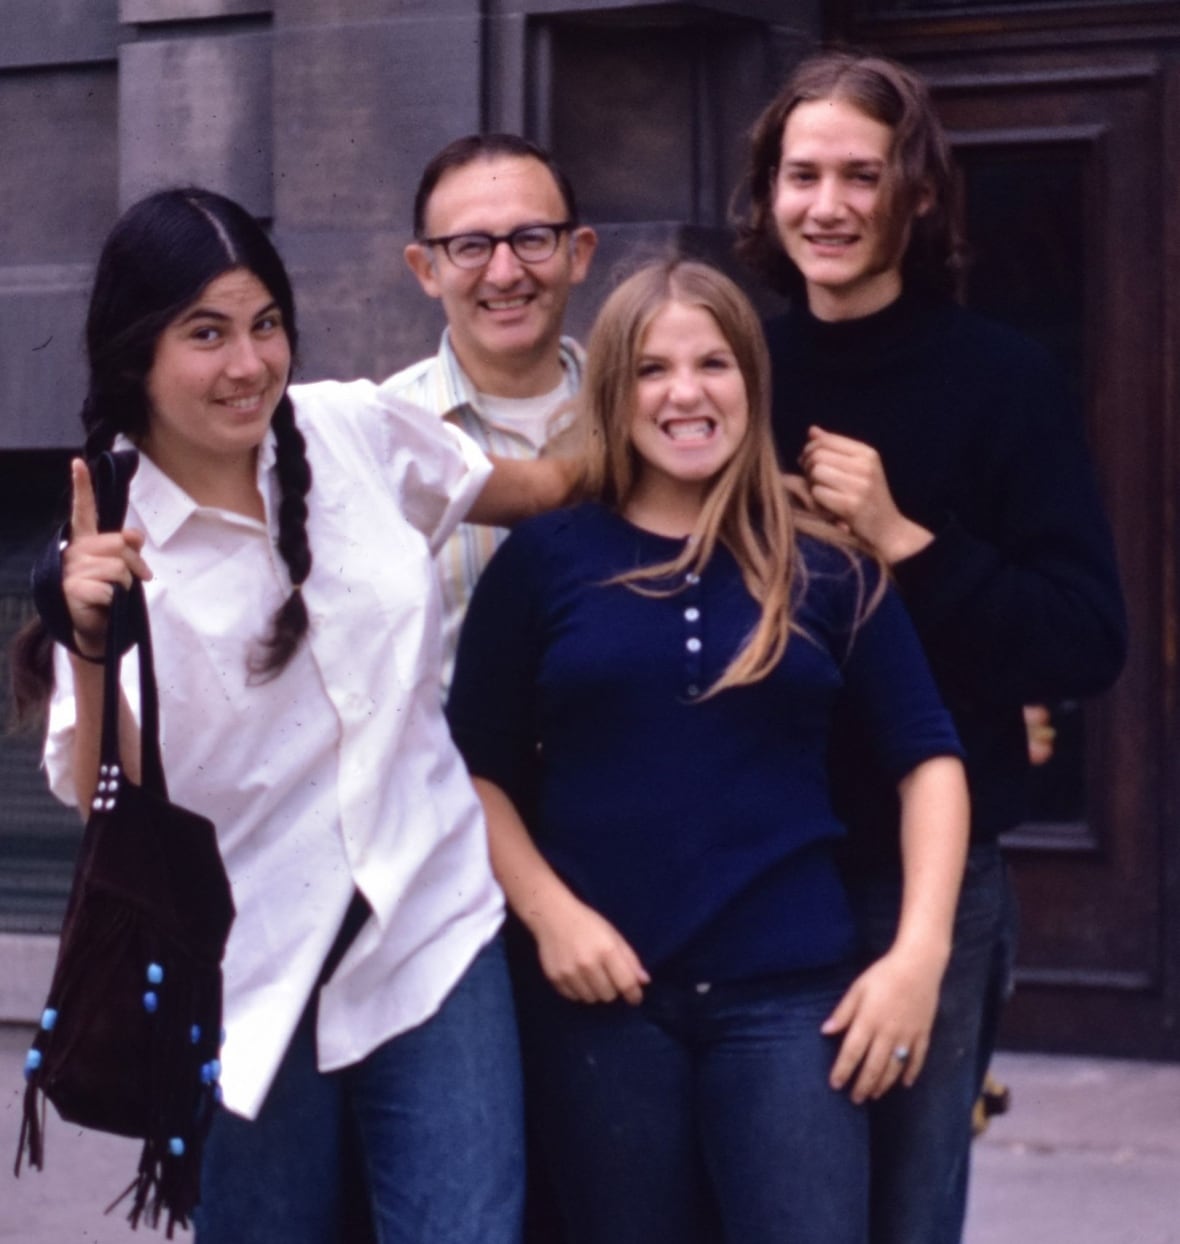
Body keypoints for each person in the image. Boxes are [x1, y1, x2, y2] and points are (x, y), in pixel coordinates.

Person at [12, 186, 578, 1243]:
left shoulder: (350, 428)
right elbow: (97, 791)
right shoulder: (118, 541)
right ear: (137, 350)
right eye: (207, 333)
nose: (249, 363)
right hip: (253, 971)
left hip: (431, 914)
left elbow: (539, 489)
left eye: (265, 324)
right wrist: (90, 638)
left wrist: (721, 473)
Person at [445, 258, 970, 1244]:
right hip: (602, 1000)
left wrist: (918, 954)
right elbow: (474, 765)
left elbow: (928, 758)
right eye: (651, 369)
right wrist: (550, 912)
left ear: (750, 382)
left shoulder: (826, 560)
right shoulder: (545, 560)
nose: (685, 391)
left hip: (791, 1005)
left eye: (713, 363)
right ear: (612, 392)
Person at [733, 50, 1127, 1244]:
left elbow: (1082, 637)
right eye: (802, 174)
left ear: (916, 194)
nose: (829, 204)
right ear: (768, 194)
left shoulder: (1001, 379)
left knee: (903, 1216)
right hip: (744, 866)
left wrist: (904, 535)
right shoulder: (728, 367)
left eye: (863, 173)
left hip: (923, 884)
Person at [393, 132, 597, 690]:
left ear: (578, 253)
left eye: (532, 238)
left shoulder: (644, 415)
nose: (505, 273)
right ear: (426, 268)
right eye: (471, 246)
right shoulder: (384, 435)